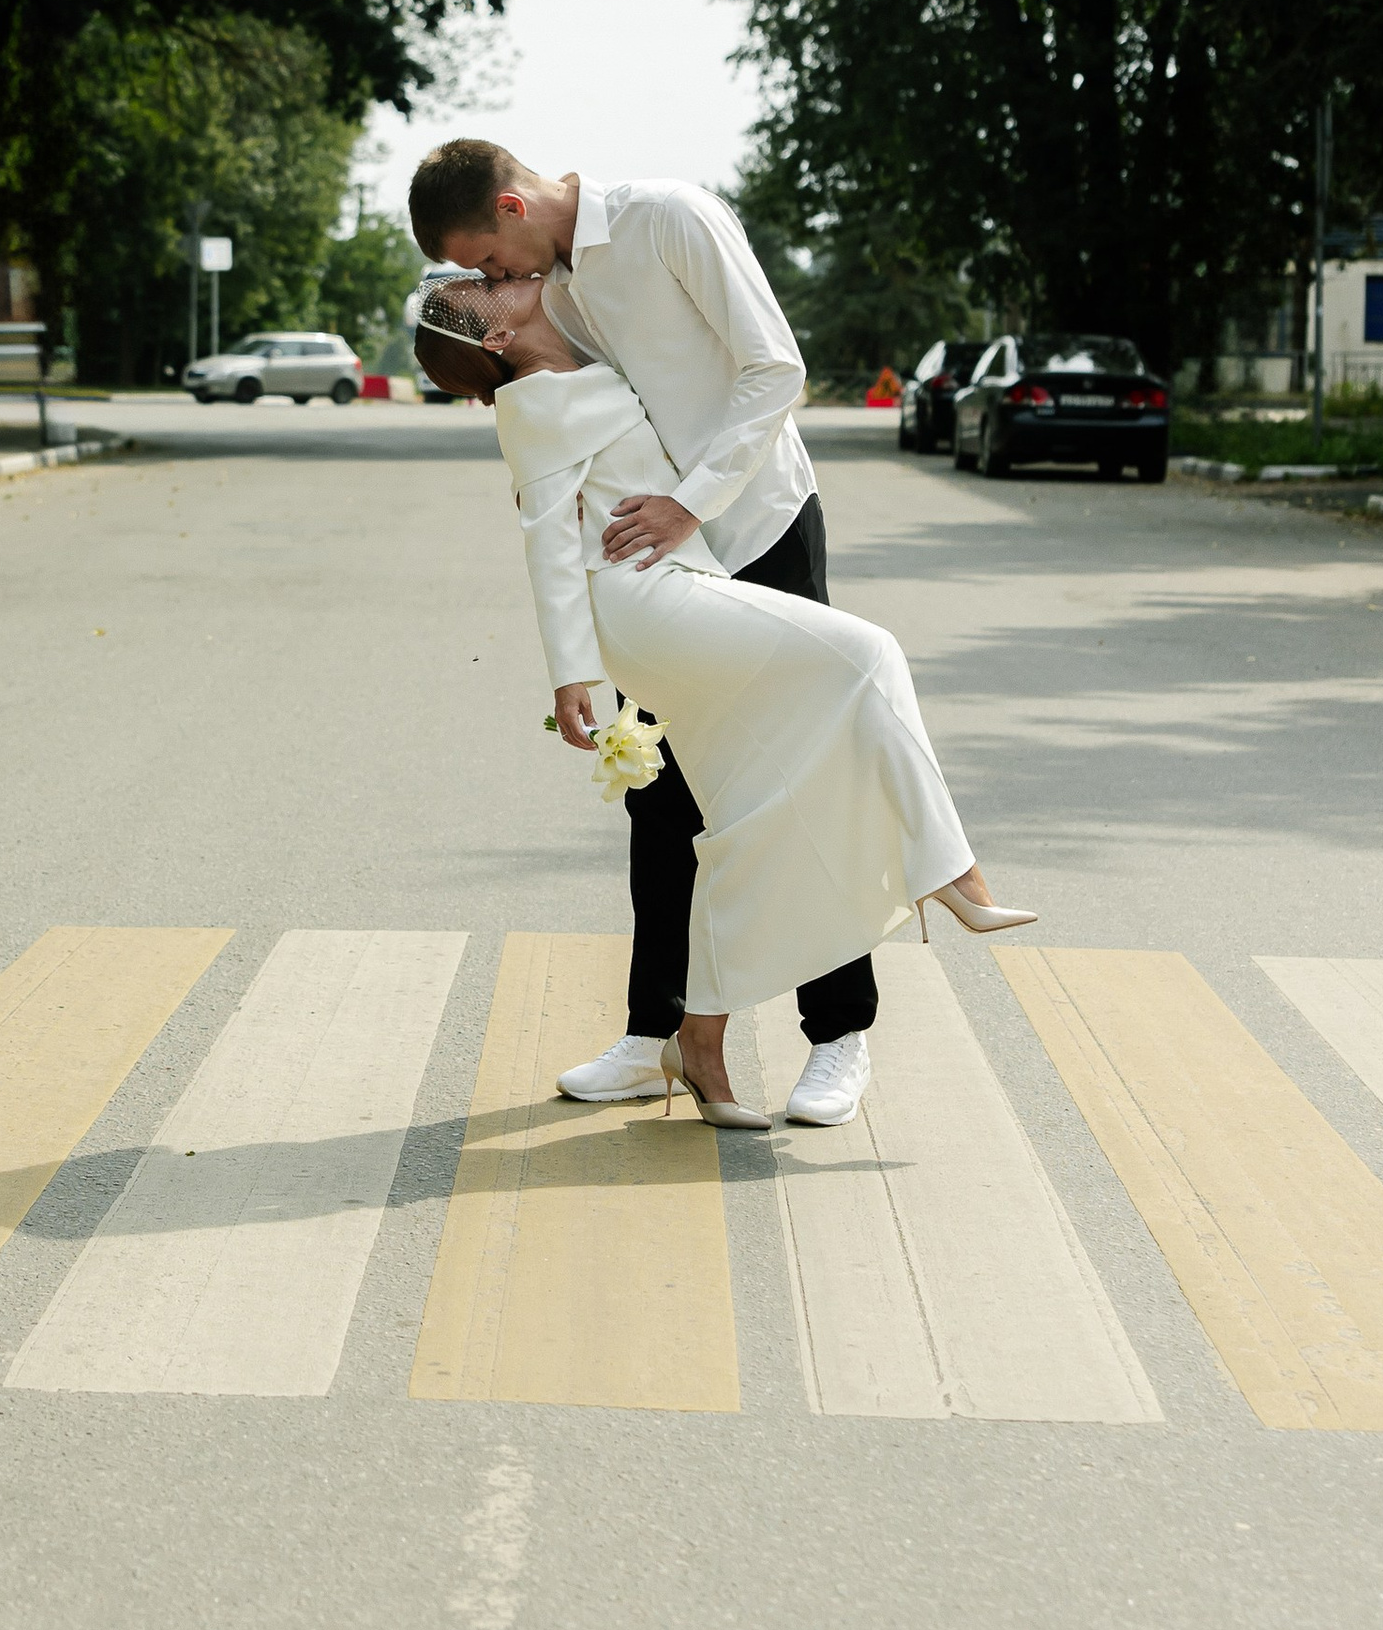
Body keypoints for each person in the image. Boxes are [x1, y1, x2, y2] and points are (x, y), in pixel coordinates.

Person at [412, 275, 1031, 1126]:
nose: (497, 281)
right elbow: (549, 547)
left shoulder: (585, 317)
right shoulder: (534, 404)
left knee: (747, 812)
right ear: (491, 341)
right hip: (652, 601)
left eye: (485, 268)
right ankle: (950, 874)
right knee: (865, 657)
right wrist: (571, 678)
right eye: (479, 288)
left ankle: (709, 1043)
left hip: (705, 570)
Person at [408, 138, 880, 1125]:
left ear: (509, 204)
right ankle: (652, 1035)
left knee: (798, 783)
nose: (495, 281)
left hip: (759, 525)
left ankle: (837, 1035)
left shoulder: (670, 217)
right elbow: (551, 403)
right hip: (658, 565)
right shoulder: (548, 289)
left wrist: (690, 503)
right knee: (659, 792)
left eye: (488, 263)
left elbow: (773, 369)